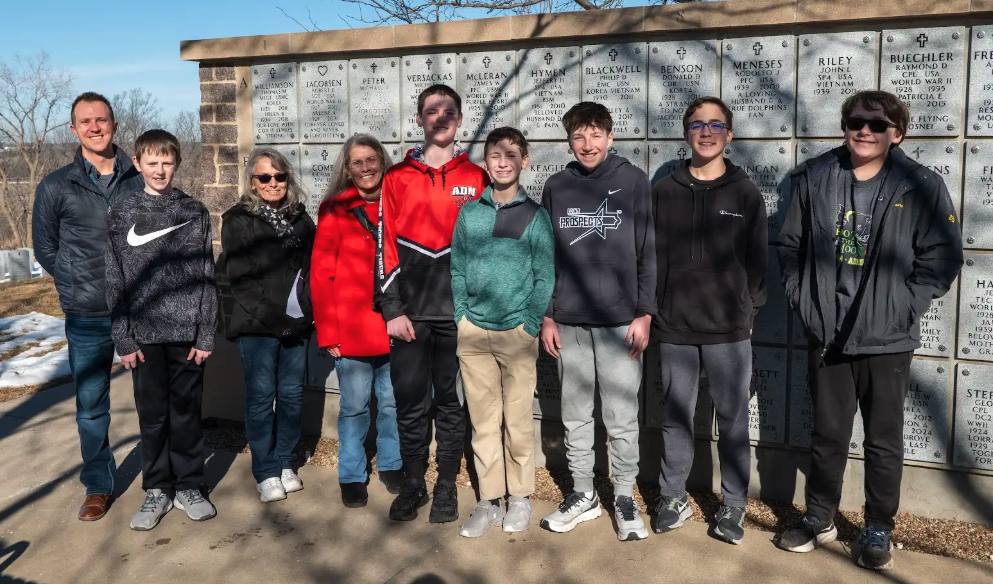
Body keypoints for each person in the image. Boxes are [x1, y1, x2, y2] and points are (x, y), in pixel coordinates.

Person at [774, 90, 962, 570]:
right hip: (829, 333)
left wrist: (904, 307)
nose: (865, 130)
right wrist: (801, 297)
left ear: (896, 134)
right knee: (828, 433)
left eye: (878, 125)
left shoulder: (919, 184)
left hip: (886, 337)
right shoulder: (815, 177)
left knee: (883, 440)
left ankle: (878, 525)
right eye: (856, 121)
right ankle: (820, 517)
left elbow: (941, 257)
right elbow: (789, 244)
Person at [649, 97, 767, 545]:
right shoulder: (664, 190)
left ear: (729, 136)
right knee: (676, 418)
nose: (706, 131)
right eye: (697, 124)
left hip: (728, 330)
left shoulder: (745, 193)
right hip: (675, 326)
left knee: (733, 420)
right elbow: (651, 255)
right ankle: (672, 498)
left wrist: (747, 309)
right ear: (686, 133)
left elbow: (757, 260)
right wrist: (655, 307)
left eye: (716, 125)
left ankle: (733, 505)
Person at [538, 102, 657, 541]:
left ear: (610, 137)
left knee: (622, 415)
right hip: (568, 320)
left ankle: (624, 496)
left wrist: (644, 313)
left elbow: (647, 251)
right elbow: (547, 255)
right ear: (569, 141)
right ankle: (584, 493)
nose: (587, 145)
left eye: (595, 135)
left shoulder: (632, 182)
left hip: (619, 322)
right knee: (575, 414)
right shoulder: (557, 186)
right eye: (578, 137)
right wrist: (548, 314)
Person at [376, 84, 490, 523]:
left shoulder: (478, 177)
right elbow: (384, 245)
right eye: (430, 111)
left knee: (451, 404)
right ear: (420, 119)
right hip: (410, 316)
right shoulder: (396, 177)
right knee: (409, 404)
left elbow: (489, 250)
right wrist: (392, 309)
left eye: (448, 111)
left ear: (459, 120)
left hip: (458, 315)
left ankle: (445, 486)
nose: (439, 117)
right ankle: (413, 484)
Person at [32, 92, 145, 521]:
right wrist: (73, 280)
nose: (95, 127)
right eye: (86, 121)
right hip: (88, 314)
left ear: (115, 124)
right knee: (92, 405)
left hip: (140, 310)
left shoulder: (140, 176)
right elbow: (46, 248)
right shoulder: (56, 185)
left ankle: (159, 478)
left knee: (150, 400)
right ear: (74, 129)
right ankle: (99, 485)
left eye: (102, 119)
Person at [104, 129, 217, 530]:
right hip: (144, 336)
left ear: (177, 164)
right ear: (137, 163)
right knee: (152, 417)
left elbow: (206, 275)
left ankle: (189, 485)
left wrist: (205, 334)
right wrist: (124, 337)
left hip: (187, 336)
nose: (160, 170)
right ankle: (157, 489)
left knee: (186, 414)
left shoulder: (195, 211)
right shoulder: (122, 211)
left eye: (167, 162)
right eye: (151, 162)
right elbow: (114, 278)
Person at [451, 127, 554, 538]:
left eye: (511, 154)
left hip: (516, 332)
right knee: (482, 421)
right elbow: (457, 265)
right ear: (486, 161)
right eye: (495, 154)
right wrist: (461, 314)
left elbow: (545, 275)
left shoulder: (536, 216)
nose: (502, 161)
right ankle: (488, 501)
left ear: (524, 161)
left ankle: (520, 499)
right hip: (473, 332)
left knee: (516, 421)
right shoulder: (470, 212)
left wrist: (529, 324)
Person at [312, 135, 405, 508]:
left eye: (371, 160)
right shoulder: (334, 209)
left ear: (382, 162)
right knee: (353, 407)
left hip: (393, 323)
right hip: (350, 328)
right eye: (357, 163)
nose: (366, 168)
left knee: (392, 402)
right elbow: (321, 274)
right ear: (347, 170)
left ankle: (392, 463)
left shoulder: (398, 203)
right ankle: (351, 473)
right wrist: (328, 332)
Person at [220, 147, 315, 504]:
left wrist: (305, 316)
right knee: (262, 399)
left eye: (279, 176)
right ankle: (265, 470)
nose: (273, 183)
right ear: (252, 182)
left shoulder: (300, 219)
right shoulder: (238, 220)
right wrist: (279, 322)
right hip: (259, 328)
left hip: (298, 325)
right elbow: (241, 282)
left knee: (291, 396)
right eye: (264, 177)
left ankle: (285, 459)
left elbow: (314, 268)